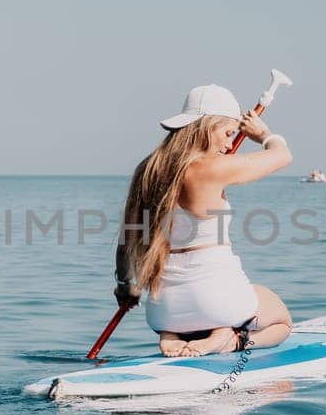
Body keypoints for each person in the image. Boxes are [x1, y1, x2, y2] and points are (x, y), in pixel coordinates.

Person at [114, 84, 293, 358]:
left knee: (186, 306)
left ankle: (173, 335)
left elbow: (127, 244)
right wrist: (264, 134)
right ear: (207, 126)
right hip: (219, 302)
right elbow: (282, 155)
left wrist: (128, 288)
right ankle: (231, 339)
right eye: (228, 133)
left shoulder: (147, 170)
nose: (229, 144)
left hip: (163, 310)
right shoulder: (211, 168)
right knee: (281, 320)